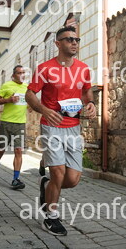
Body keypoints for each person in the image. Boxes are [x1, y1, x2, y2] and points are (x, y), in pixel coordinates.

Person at [26, 26, 96, 236]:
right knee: (58, 171)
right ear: (57, 44)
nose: (74, 43)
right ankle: (51, 216)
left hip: (73, 127)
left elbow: (87, 90)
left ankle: (46, 185)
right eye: (69, 39)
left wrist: (91, 103)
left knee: (72, 179)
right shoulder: (45, 68)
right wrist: (44, 110)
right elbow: (30, 94)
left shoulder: (83, 69)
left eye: (76, 39)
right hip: (52, 126)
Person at [0, 65, 28, 190]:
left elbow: (31, 101)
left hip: (20, 123)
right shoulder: (6, 85)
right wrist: (8, 100)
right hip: (6, 122)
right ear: (13, 75)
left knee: (18, 150)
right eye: (19, 73)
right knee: (2, 148)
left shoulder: (27, 87)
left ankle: (16, 179)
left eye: (23, 72)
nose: (22, 75)